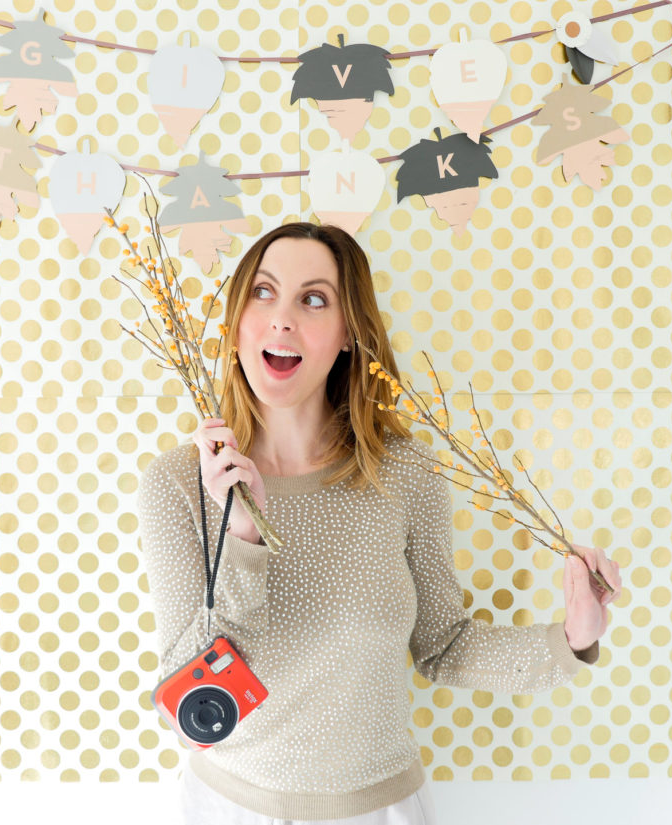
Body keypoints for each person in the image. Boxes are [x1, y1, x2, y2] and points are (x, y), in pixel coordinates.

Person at [136, 222, 623, 824]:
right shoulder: (179, 485)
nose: (282, 318)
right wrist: (244, 540)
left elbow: (444, 647)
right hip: (232, 808)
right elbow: (185, 715)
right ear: (237, 320)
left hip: (383, 810)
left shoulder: (406, 473)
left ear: (347, 334)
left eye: (313, 299)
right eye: (263, 292)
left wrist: (572, 638)